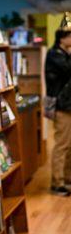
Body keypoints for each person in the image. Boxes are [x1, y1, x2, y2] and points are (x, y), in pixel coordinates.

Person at [45, 12, 71, 196]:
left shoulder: (65, 54)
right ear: (63, 37)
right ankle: (57, 183)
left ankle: (67, 179)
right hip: (62, 106)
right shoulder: (55, 54)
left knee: (69, 145)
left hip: (68, 104)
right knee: (62, 144)